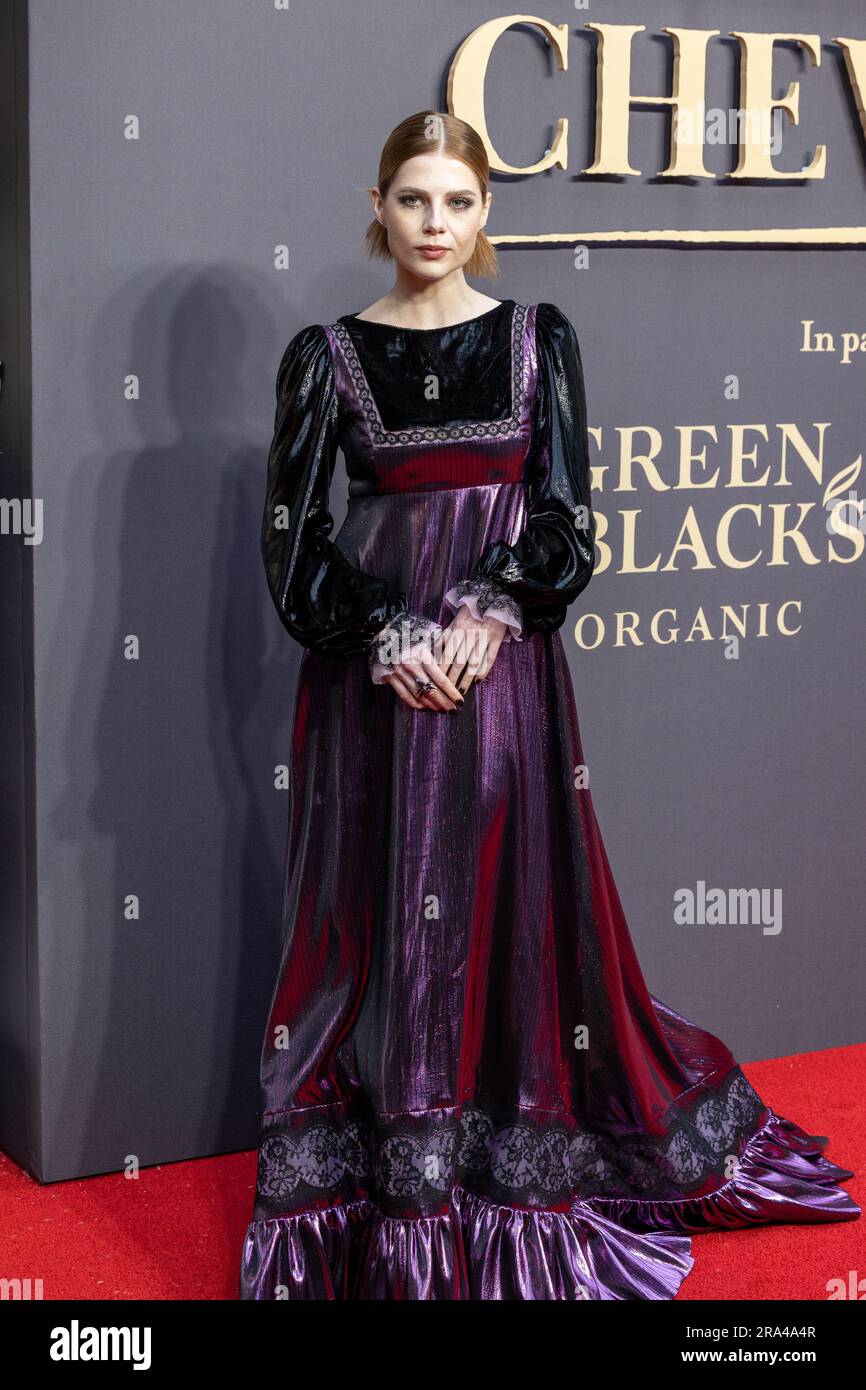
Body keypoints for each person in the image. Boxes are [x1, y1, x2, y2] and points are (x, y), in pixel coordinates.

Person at [239, 110, 859, 1300]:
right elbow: (292, 545)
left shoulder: (536, 338)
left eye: (456, 202)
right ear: (376, 206)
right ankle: (394, 1204)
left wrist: (480, 617)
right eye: (411, 200)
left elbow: (568, 520)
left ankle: (501, 1179)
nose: (433, 223)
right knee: (376, 924)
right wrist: (390, 633)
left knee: (501, 906)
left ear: (486, 214)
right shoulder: (323, 355)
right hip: (371, 687)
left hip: (499, 676)